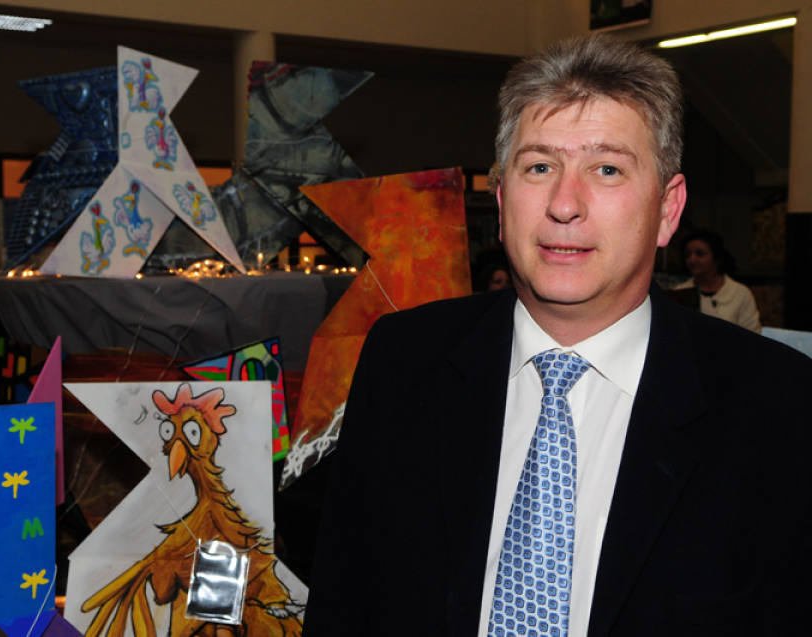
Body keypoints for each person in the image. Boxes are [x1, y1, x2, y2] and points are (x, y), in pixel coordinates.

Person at [303, 34, 812, 637]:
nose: (565, 205)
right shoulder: (403, 361)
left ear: (668, 209)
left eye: (607, 169)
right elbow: (346, 600)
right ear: (501, 201)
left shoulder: (776, 403)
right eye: (539, 167)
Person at [673, 230, 761, 332]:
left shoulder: (740, 293)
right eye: (688, 255)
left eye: (700, 254)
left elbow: (753, 333)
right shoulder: (680, 292)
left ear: (716, 257)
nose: (692, 260)